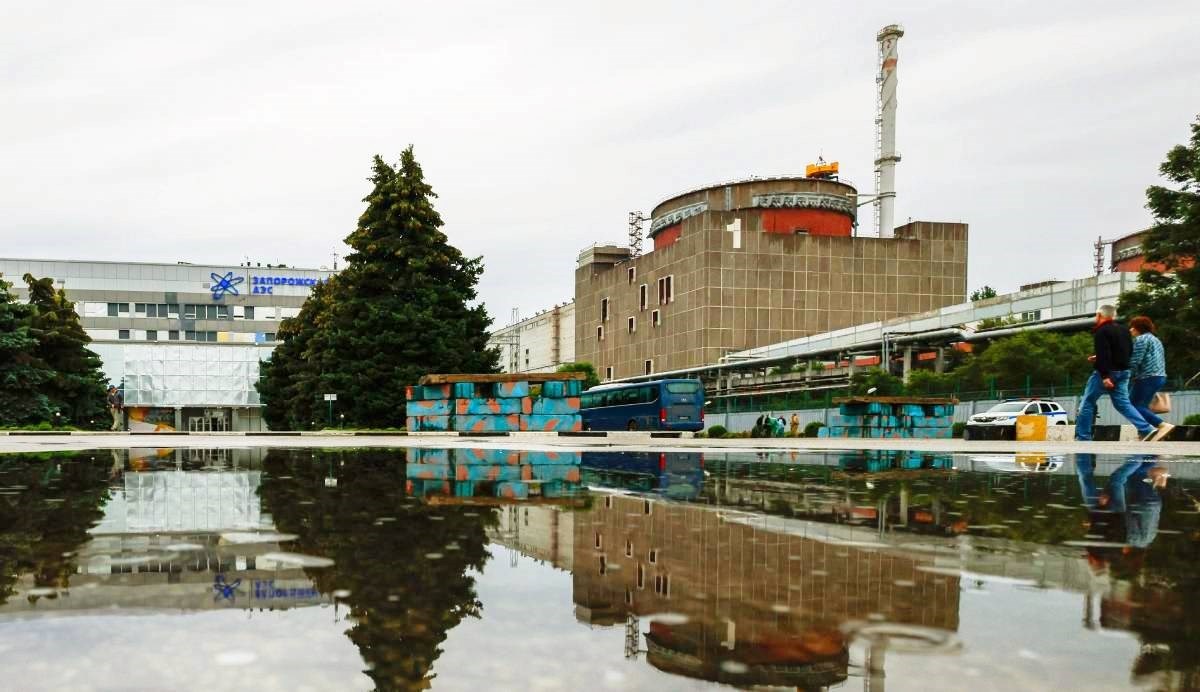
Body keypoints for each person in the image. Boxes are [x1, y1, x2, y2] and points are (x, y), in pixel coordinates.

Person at [1075, 305, 1157, 442]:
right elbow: (1127, 351)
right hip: (1124, 372)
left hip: (1107, 373)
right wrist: (1100, 357)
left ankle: (1083, 437)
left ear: (1099, 315)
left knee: (1088, 402)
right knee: (1123, 403)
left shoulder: (1101, 331)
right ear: (1113, 315)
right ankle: (1146, 429)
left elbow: (1104, 352)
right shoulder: (1124, 330)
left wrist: (1105, 376)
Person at [1128, 316, 1174, 441]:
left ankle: (1161, 425)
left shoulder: (1141, 339)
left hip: (1147, 377)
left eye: (1132, 327)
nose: (1130, 330)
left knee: (1133, 405)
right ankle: (1145, 433)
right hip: (1159, 376)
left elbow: (1135, 360)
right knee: (1142, 405)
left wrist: (1126, 375)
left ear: (1138, 328)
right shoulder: (1155, 339)